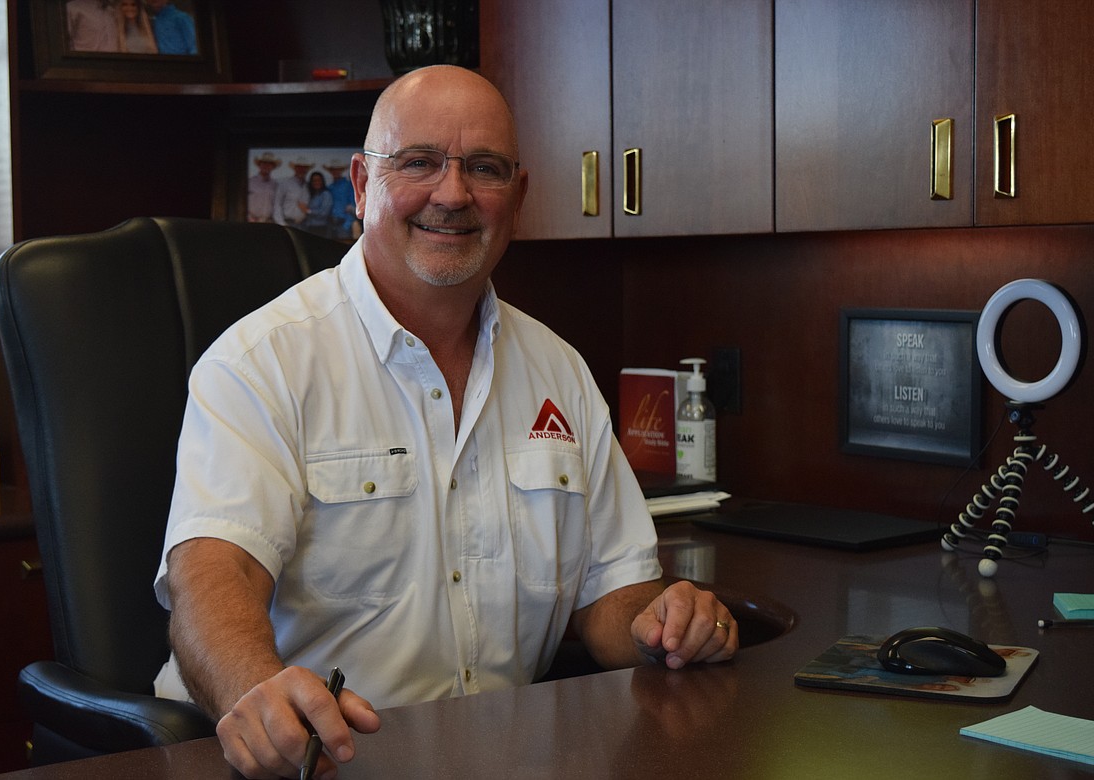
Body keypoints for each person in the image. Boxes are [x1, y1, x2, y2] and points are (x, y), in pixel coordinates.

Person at [154, 65, 737, 779]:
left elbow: (613, 593)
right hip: (316, 765)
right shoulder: (261, 364)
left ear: (517, 199)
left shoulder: (560, 373)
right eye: (419, 163)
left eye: (484, 169)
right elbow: (214, 577)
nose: (453, 194)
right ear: (363, 187)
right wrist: (255, 693)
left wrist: (666, 623)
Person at [272, 156, 314, 226]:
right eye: (299, 167)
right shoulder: (285, 183)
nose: (302, 169)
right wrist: (281, 223)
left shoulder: (308, 186)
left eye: (304, 167)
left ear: (307, 169)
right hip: (288, 223)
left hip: (305, 224)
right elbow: (277, 204)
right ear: (295, 168)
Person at [324, 159, 359, 240]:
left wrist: (349, 223)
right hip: (331, 223)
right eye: (333, 170)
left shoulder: (348, 185)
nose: (335, 171)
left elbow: (353, 204)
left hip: (344, 224)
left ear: (341, 170)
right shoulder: (330, 187)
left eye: (337, 169)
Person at [246, 152, 281, 223]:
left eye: (269, 164)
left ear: (273, 167)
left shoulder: (276, 184)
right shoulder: (249, 182)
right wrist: (249, 217)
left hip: (269, 222)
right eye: (264, 163)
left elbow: (277, 205)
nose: (266, 166)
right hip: (251, 221)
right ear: (259, 165)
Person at [299, 171, 334, 237]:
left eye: (318, 180)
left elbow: (324, 213)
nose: (316, 182)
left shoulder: (326, 194)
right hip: (309, 226)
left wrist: (308, 211)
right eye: (314, 181)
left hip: (321, 227)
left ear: (322, 181)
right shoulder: (313, 195)